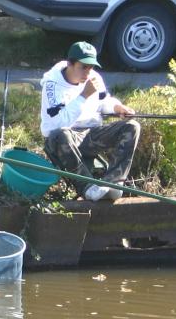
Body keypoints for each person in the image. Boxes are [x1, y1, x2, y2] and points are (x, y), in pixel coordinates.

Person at [40, 41, 140, 201]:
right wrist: (83, 96)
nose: (88, 72)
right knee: (62, 134)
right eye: (83, 67)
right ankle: (87, 187)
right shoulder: (52, 86)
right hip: (62, 139)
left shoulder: (94, 78)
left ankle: (113, 182)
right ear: (70, 64)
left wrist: (118, 108)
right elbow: (56, 124)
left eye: (91, 67)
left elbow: (103, 101)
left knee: (132, 126)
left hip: (91, 134)